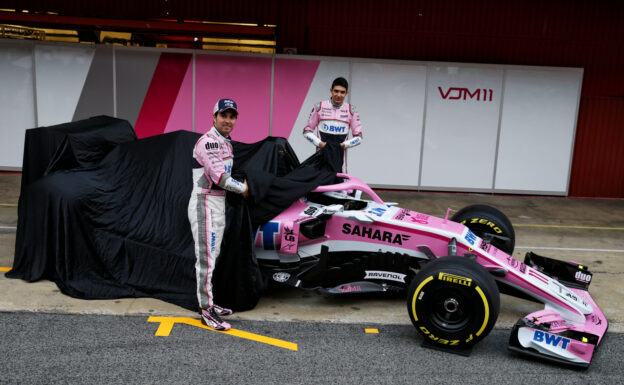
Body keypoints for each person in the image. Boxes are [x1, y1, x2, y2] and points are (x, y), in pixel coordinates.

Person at [188, 98, 248, 331]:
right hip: (204, 203)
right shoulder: (209, 142)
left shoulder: (226, 143)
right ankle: (206, 310)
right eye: (224, 115)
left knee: (213, 256)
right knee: (206, 259)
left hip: (218, 203)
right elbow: (220, 177)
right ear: (214, 117)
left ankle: (210, 302)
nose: (228, 120)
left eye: (232, 116)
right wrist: (243, 188)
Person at [303, 77, 363, 173]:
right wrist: (320, 144)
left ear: (346, 93)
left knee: (339, 186)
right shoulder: (319, 107)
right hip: (321, 159)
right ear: (331, 91)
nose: (339, 95)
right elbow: (307, 131)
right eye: (336, 91)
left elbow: (359, 138)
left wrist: (343, 145)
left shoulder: (351, 110)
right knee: (321, 185)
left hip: (339, 161)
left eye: (342, 92)